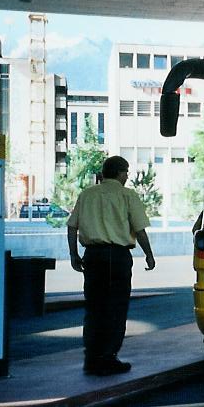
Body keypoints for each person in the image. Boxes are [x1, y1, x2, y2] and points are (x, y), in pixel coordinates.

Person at [67, 156, 155, 376]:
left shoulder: (87, 194)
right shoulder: (127, 195)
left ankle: (91, 358)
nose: (127, 176)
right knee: (116, 307)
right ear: (119, 172)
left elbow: (71, 227)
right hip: (117, 257)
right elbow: (140, 229)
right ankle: (109, 357)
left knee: (94, 308)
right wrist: (149, 255)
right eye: (126, 172)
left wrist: (73, 255)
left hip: (93, 257)